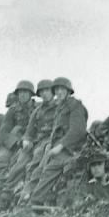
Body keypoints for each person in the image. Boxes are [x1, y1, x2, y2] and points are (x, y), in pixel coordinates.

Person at [29, 77, 88, 205]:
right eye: (56, 90)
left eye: (62, 89)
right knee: (40, 172)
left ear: (68, 91)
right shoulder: (60, 107)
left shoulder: (74, 105)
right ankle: (31, 202)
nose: (59, 92)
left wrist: (60, 146)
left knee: (50, 172)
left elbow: (78, 130)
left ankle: (36, 203)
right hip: (58, 148)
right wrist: (51, 145)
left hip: (71, 149)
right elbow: (56, 131)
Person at [0, 80, 37, 187]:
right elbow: (3, 133)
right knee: (2, 158)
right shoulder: (12, 111)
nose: (22, 95)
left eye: (25, 92)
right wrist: (16, 143)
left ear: (31, 94)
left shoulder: (39, 108)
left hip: (34, 140)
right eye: (20, 92)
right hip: (15, 142)